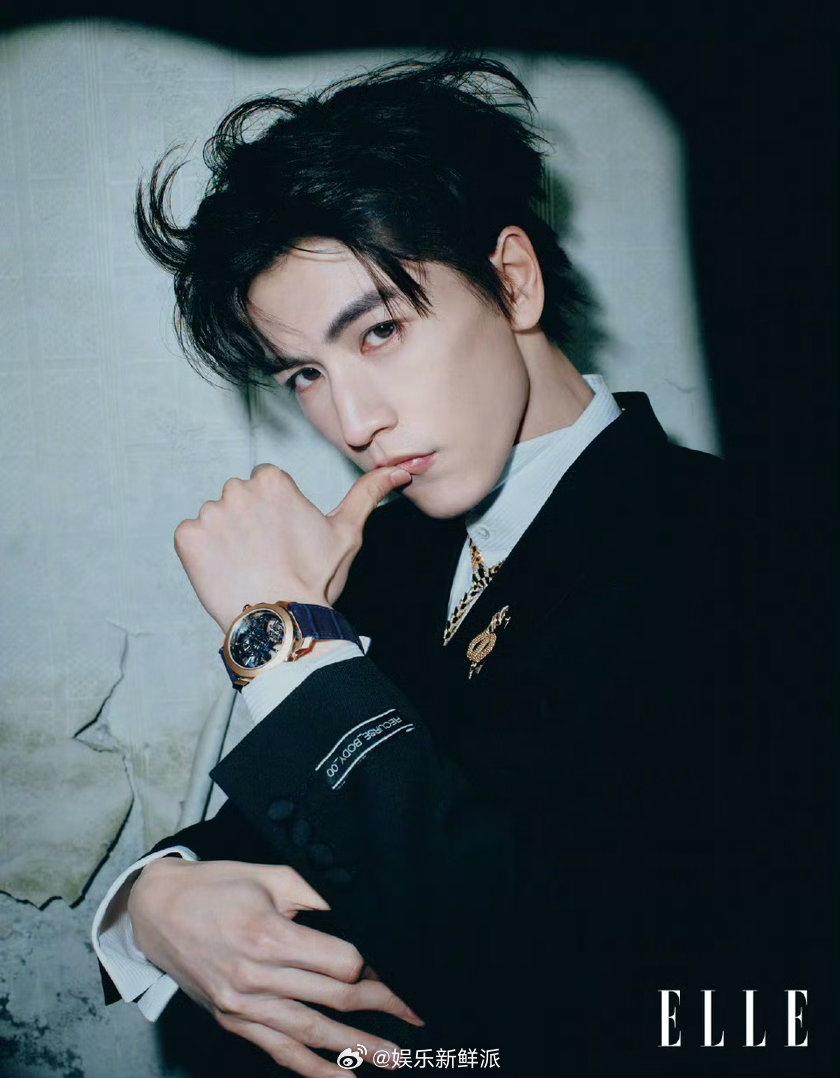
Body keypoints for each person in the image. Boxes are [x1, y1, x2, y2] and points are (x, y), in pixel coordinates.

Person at [92, 55, 817, 1078]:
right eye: (305, 373)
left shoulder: (743, 545)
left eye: (381, 330)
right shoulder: (392, 549)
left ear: (512, 280)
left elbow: (572, 984)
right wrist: (150, 902)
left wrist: (285, 642)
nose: (352, 421)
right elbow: (289, 836)